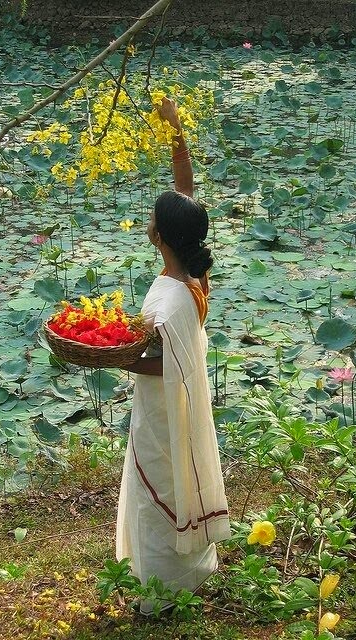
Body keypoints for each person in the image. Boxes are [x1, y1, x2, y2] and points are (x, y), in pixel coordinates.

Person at [116, 97, 230, 615]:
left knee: (156, 482)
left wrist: (118, 358)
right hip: (174, 403)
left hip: (163, 410)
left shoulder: (173, 295)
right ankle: (185, 571)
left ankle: (160, 593)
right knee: (169, 479)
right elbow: (184, 187)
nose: (148, 220)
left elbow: (167, 364)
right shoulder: (193, 272)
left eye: (151, 217)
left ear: (159, 235)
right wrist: (175, 126)